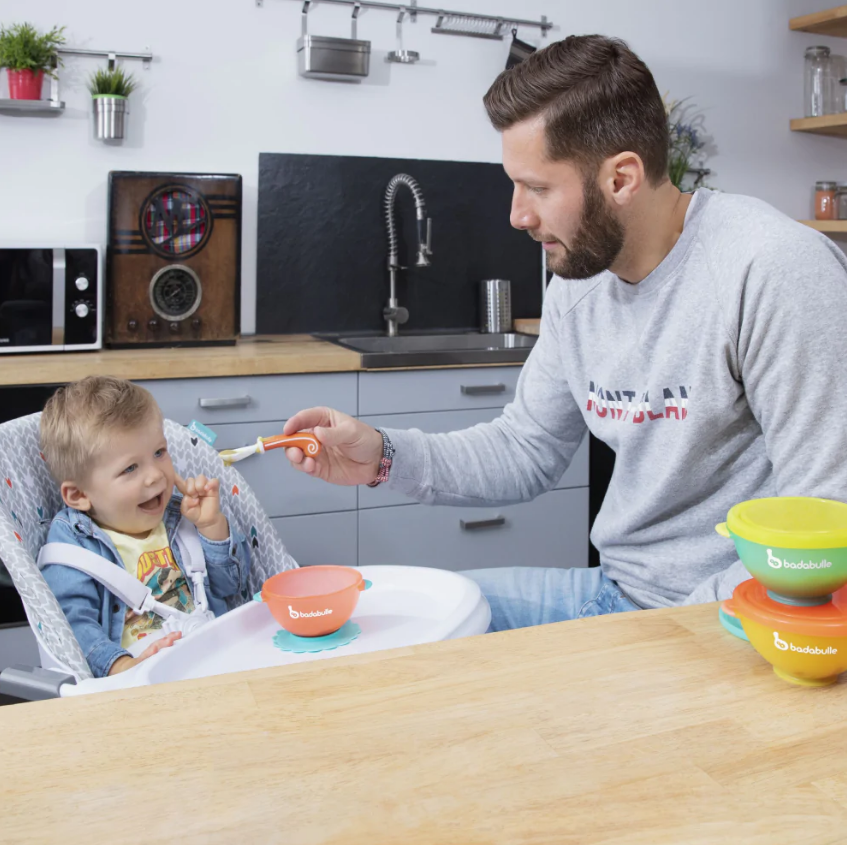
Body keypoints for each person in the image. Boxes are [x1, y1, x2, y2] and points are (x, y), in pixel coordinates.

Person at [282, 34, 847, 632]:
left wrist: (670, 641)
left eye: (538, 187)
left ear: (622, 179)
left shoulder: (773, 270)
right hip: (618, 594)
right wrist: (382, 456)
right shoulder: (579, 283)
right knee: (395, 625)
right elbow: (524, 450)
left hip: (731, 621)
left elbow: (829, 516)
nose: (517, 215)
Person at [40, 376, 252, 677]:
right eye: (130, 468)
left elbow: (233, 588)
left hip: (216, 655)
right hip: (139, 676)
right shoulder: (73, 546)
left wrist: (210, 526)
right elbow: (72, 625)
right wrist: (123, 667)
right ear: (79, 495)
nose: (155, 476)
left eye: (159, 453)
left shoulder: (181, 515)